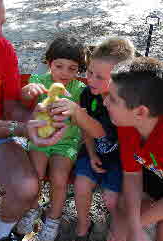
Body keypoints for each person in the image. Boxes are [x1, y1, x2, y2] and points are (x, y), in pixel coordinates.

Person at [0, 0, 67, 241]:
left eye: (2, 23)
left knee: (27, 187)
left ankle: (0, 235)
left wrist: (37, 118)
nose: (0, 32)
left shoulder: (3, 48)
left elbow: (9, 107)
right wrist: (22, 129)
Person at [50, 37, 135, 241]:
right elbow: (88, 132)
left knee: (112, 200)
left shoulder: (121, 102)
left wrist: (77, 113)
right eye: (89, 72)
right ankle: (83, 225)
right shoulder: (89, 94)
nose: (91, 80)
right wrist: (90, 152)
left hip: (119, 161)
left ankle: (116, 230)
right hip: (93, 153)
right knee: (80, 186)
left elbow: (101, 131)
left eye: (99, 77)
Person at [20, 36, 86, 241]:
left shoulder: (79, 90)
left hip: (66, 143)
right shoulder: (39, 82)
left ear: (78, 70)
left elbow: (85, 118)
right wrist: (27, 91)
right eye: (59, 66)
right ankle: (32, 209)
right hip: (40, 138)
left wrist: (74, 110)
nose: (65, 73)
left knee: (59, 178)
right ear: (49, 64)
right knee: (35, 175)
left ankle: (53, 219)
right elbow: (23, 99)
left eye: (72, 69)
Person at [102, 56, 163, 241]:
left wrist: (138, 225)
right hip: (155, 180)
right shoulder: (127, 123)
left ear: (140, 112)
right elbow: (132, 174)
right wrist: (135, 228)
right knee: (120, 231)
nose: (104, 103)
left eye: (112, 99)